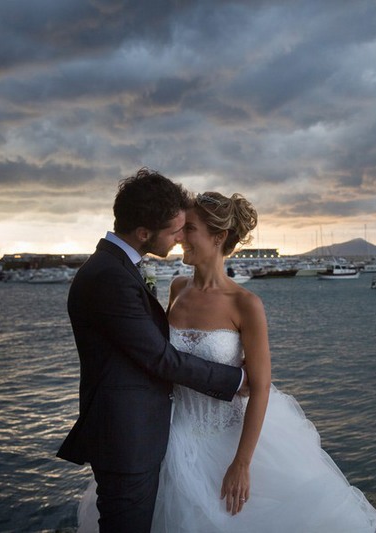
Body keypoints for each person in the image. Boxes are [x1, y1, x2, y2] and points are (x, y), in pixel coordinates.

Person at [78, 191, 376, 532]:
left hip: (227, 436)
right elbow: (163, 359)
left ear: (218, 237)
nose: (179, 238)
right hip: (172, 434)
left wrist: (241, 462)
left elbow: (261, 386)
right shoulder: (178, 288)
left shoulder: (245, 304)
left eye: (188, 229)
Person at [57, 169, 245, 533]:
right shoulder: (110, 276)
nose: (180, 238)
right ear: (144, 233)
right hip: (127, 439)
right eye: (175, 230)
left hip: (142, 433)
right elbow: (160, 357)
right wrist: (234, 378)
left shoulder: (117, 267)